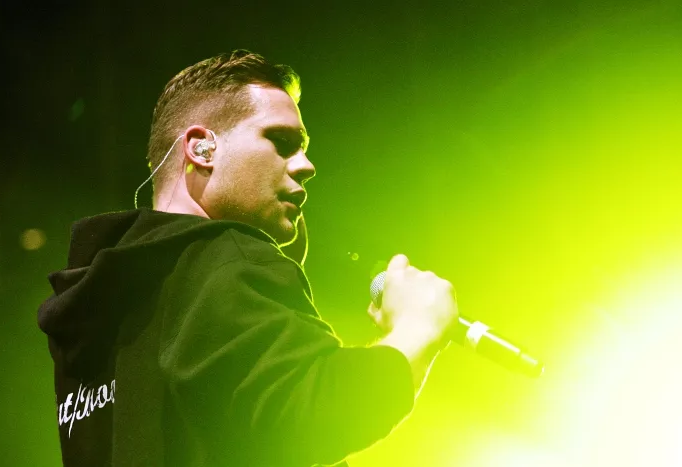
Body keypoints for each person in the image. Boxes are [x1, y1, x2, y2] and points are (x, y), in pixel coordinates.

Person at [38, 50, 459, 467]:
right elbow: (311, 414)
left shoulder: (98, 314)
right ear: (202, 149)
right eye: (282, 142)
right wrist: (419, 325)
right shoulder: (222, 258)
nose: (307, 165)